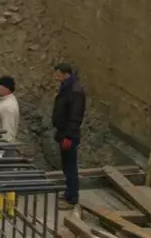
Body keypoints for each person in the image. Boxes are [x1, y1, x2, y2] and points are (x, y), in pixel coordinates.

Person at [52, 63, 86, 207]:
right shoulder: (67, 88)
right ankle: (68, 193)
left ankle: (72, 197)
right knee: (66, 165)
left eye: (58, 74)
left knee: (70, 166)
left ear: (66, 74)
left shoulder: (75, 91)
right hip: (63, 133)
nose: (56, 77)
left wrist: (69, 137)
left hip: (68, 135)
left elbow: (75, 116)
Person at [0, 75, 21, 221]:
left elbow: (6, 132)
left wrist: (0, 152)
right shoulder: (8, 102)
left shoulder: (7, 107)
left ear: (6, 88)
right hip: (6, 146)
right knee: (9, 179)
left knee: (0, 180)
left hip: (3, 147)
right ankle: (10, 210)